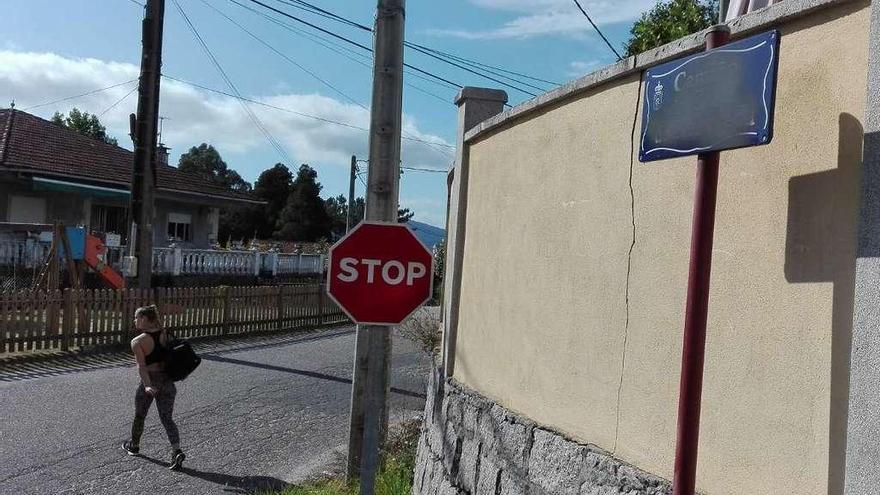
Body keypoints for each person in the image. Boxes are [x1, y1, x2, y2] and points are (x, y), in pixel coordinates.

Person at [122, 305, 186, 471]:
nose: (135, 320)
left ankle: (134, 446)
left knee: (140, 415)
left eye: (136, 317)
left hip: (150, 381)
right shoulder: (165, 333)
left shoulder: (137, 341)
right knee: (167, 418)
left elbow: (142, 367)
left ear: (144, 318)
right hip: (168, 380)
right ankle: (176, 450)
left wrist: (148, 385)